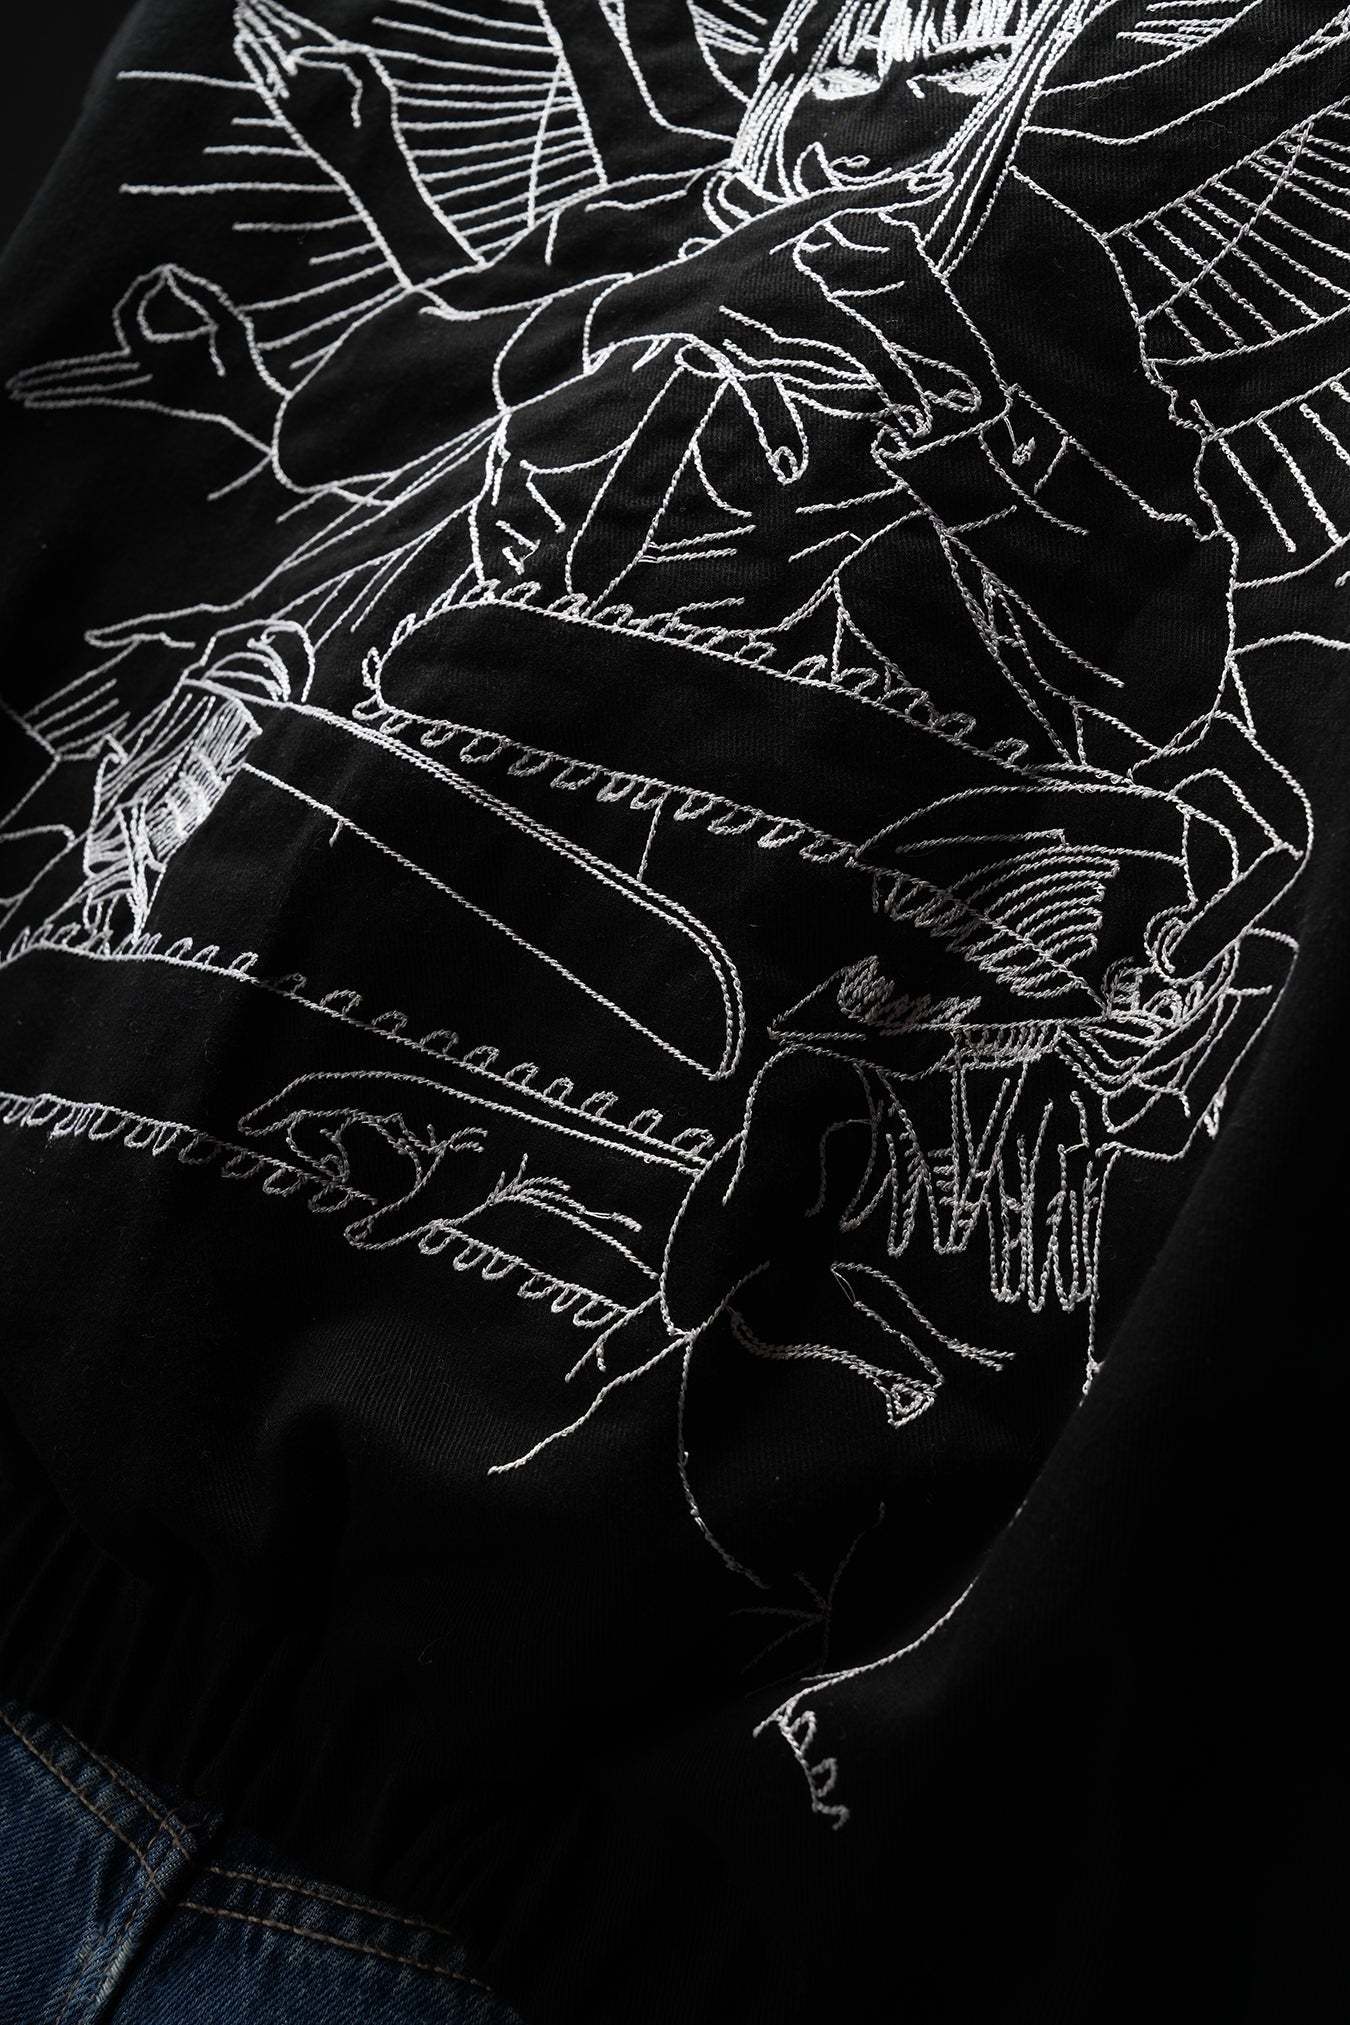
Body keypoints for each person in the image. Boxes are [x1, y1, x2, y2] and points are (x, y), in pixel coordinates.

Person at [2, 3, 1348, 2019]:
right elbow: (365, 403)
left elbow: (1151, 618)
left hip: (630, 1857)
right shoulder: (682, 249)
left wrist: (941, 423)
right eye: (835, 72)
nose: (856, 106)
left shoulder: (1020, 321)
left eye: (919, 85)